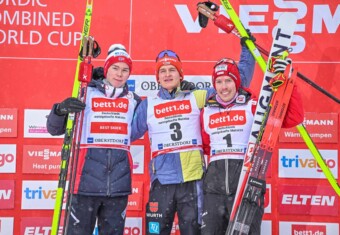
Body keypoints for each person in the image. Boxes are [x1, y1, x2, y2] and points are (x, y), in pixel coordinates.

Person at [130, 38, 256, 234]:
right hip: (162, 181)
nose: (167, 74)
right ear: (157, 77)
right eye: (162, 71)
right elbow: (124, 134)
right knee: (155, 231)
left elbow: (235, 84)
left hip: (193, 180)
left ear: (180, 74)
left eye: (172, 70)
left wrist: (247, 50)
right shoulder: (149, 104)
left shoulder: (196, 96)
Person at [200, 57, 304, 234]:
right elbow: (206, 146)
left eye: (228, 81)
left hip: (247, 186)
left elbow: (294, 116)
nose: (223, 87)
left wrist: (287, 83)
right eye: (219, 81)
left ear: (237, 82)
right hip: (214, 190)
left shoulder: (253, 104)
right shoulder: (207, 110)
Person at [46, 44, 141, 235]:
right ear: (106, 69)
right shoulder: (84, 93)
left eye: (125, 70)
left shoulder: (135, 100)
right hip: (83, 184)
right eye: (115, 68)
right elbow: (54, 129)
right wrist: (59, 110)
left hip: (118, 187)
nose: (119, 74)